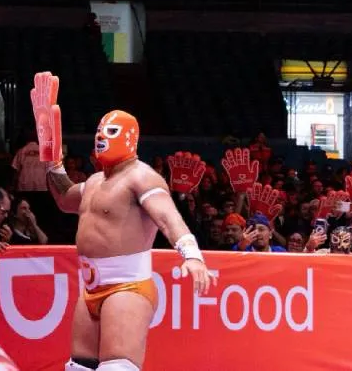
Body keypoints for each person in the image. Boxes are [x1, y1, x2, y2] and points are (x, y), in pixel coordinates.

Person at [30, 72, 214, 371]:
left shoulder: (141, 176)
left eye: (111, 131)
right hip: (90, 286)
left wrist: (192, 255)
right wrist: (52, 158)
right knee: (79, 367)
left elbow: (168, 217)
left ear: (131, 138)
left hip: (127, 286)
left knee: (117, 368)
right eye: (99, 131)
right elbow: (64, 198)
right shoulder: (93, 182)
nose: (102, 137)